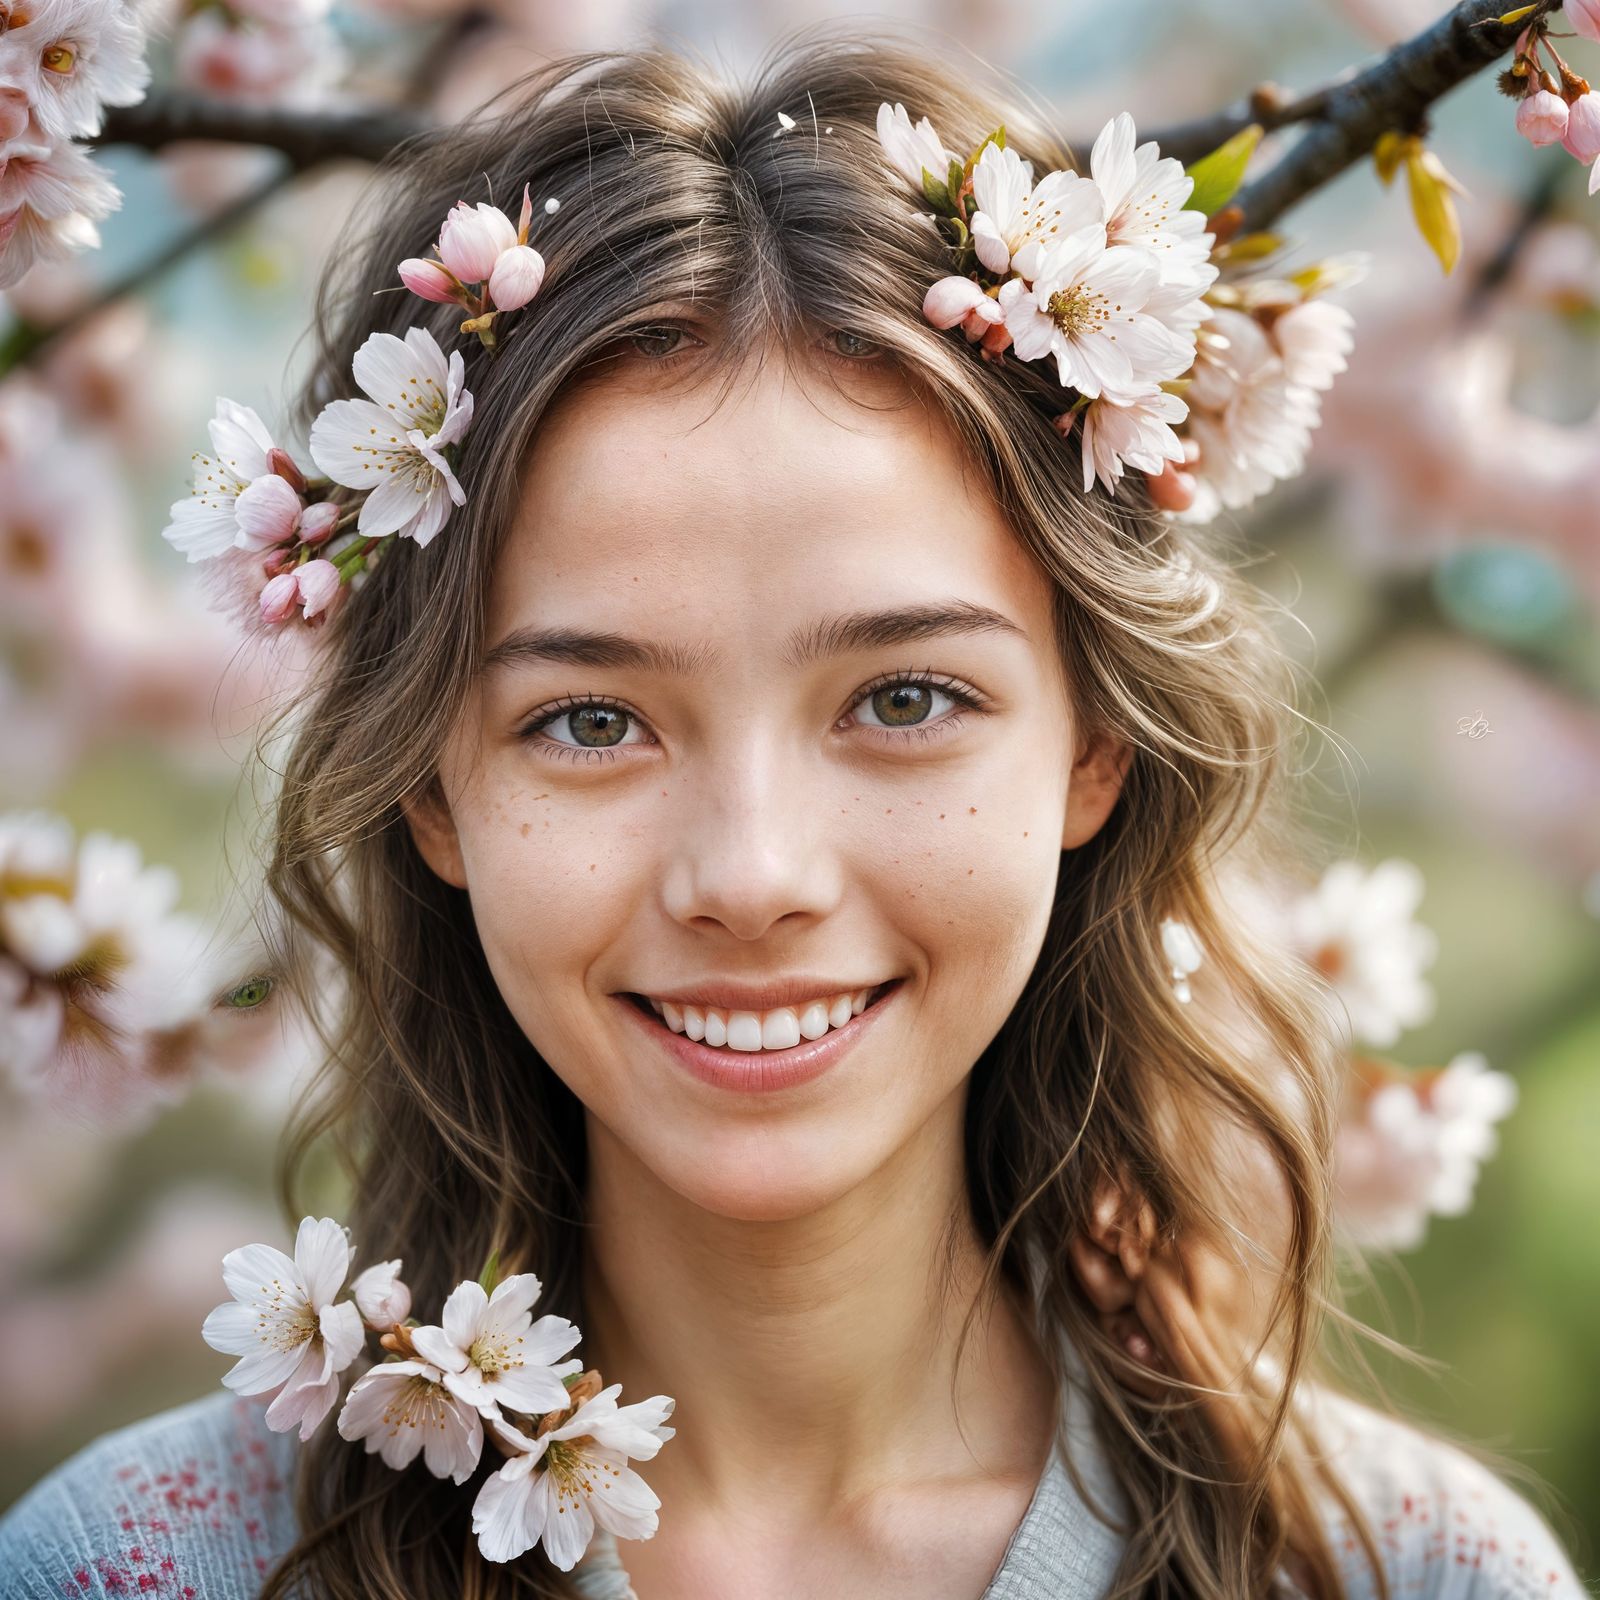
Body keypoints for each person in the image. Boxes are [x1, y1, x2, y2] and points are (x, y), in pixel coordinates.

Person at [0, 30, 1588, 1600]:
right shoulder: (149, 1570)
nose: (750, 875)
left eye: (904, 699)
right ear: (431, 788)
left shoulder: (1402, 1575)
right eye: (590, 720)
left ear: (1093, 745)